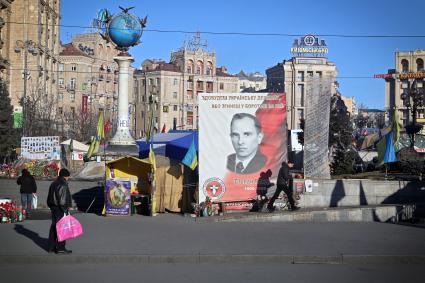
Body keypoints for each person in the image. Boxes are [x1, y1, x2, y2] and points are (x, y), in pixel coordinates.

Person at [47, 168, 72, 254]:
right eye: (68, 176)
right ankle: (61, 248)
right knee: (62, 228)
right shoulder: (63, 184)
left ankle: (51, 247)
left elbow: (49, 198)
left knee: (54, 227)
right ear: (65, 176)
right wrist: (66, 210)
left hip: (54, 208)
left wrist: (51, 206)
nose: (68, 178)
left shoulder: (53, 183)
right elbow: (62, 200)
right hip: (60, 209)